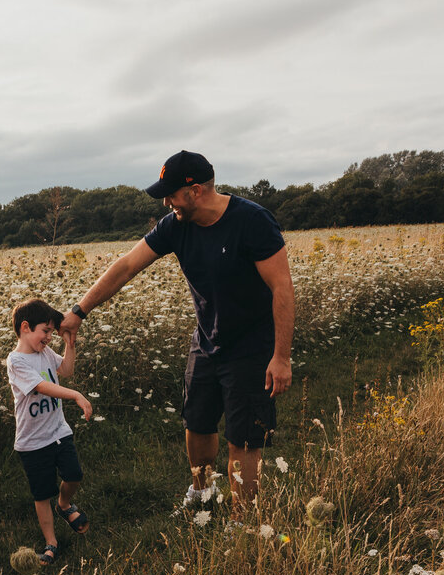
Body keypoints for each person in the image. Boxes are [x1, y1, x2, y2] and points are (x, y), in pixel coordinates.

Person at [60, 150, 294, 503]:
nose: (167, 202)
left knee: (242, 437)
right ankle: (202, 492)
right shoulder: (175, 225)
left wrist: (281, 356)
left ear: (196, 190)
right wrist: (79, 311)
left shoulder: (253, 221)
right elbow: (126, 267)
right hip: (206, 341)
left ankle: (242, 521)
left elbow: (282, 287)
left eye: (171, 194)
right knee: (196, 422)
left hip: (252, 347)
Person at [6, 298, 92, 566]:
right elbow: (42, 386)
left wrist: (70, 344)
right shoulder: (16, 361)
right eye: (45, 331)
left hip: (58, 431)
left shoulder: (45, 354)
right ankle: (51, 542)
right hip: (33, 443)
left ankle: (64, 505)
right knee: (42, 493)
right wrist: (76, 395)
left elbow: (65, 371)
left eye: (52, 333)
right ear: (25, 327)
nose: (48, 338)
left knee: (74, 474)